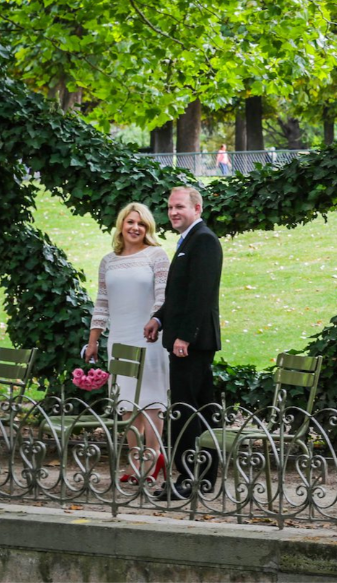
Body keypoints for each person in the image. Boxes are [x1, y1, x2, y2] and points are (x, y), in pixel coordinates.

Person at [145, 186, 223, 499]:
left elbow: (201, 295)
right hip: (186, 340)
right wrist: (159, 318)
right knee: (199, 410)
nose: (173, 212)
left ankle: (189, 479)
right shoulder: (188, 240)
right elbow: (179, 296)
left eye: (179, 207)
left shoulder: (203, 240)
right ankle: (202, 479)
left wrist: (184, 336)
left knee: (187, 412)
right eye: (170, 208)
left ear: (197, 208)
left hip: (192, 344)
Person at [84, 202, 170, 484]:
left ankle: (154, 455)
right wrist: (94, 339)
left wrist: (156, 320)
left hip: (149, 337)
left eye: (141, 224)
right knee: (128, 404)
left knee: (151, 402)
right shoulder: (108, 261)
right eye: (130, 222)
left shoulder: (156, 256)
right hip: (118, 337)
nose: (135, 227)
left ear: (148, 228)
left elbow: (163, 296)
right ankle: (135, 460)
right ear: (121, 224)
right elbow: (102, 302)